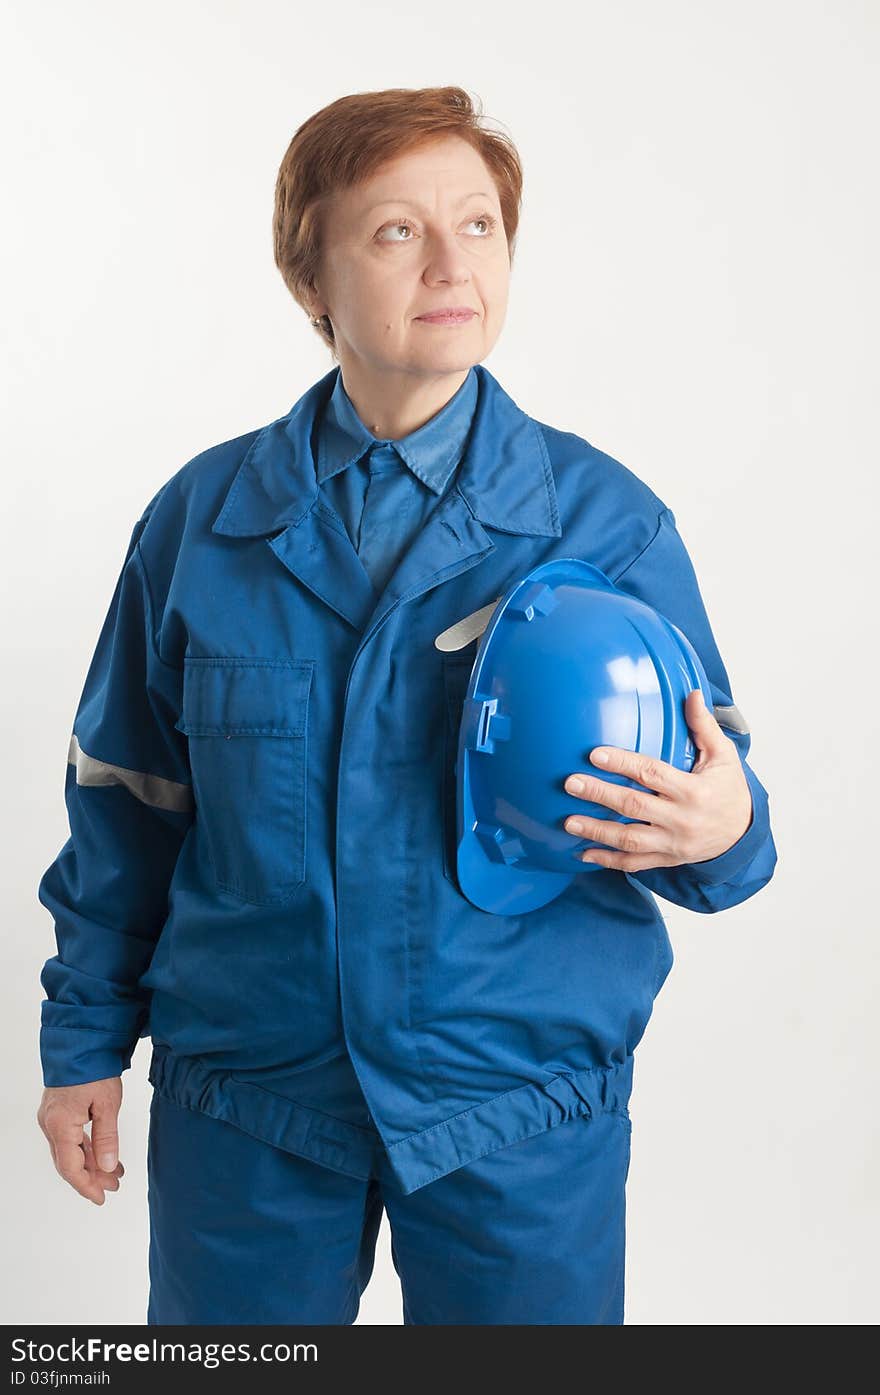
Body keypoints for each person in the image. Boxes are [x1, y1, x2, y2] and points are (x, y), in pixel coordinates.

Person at [35, 85, 777, 1326]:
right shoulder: (201, 526)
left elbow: (719, 827)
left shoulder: (601, 524)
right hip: (249, 1106)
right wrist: (83, 1048)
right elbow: (127, 808)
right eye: (395, 231)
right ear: (307, 278)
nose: (450, 264)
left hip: (518, 1113)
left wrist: (724, 830)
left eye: (479, 225)